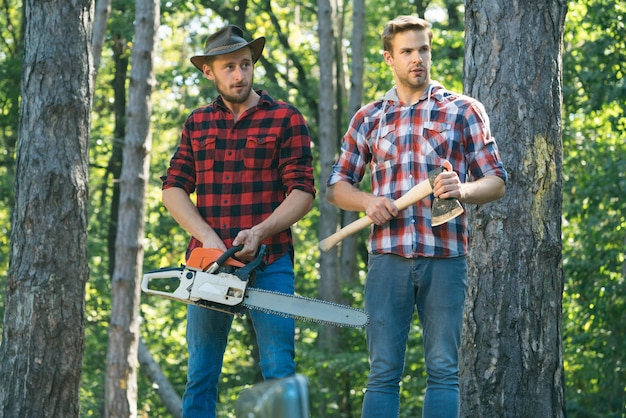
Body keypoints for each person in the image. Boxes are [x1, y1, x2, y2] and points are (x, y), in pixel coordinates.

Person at [326, 15, 507, 418]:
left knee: (443, 371)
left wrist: (463, 189)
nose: (417, 58)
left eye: (423, 49)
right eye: (407, 51)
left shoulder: (463, 110)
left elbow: (496, 181)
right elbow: (337, 186)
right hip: (387, 259)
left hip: (445, 259)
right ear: (389, 58)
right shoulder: (369, 117)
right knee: (382, 373)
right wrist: (367, 202)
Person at [161, 24, 316, 417]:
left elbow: (302, 191)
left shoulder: (285, 118)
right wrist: (209, 239)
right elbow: (173, 188)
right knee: (201, 373)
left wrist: (261, 231)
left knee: (279, 370)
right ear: (209, 71)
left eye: (245, 65)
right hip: (209, 265)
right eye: (229, 67)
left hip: (270, 260)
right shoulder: (197, 123)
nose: (239, 74)